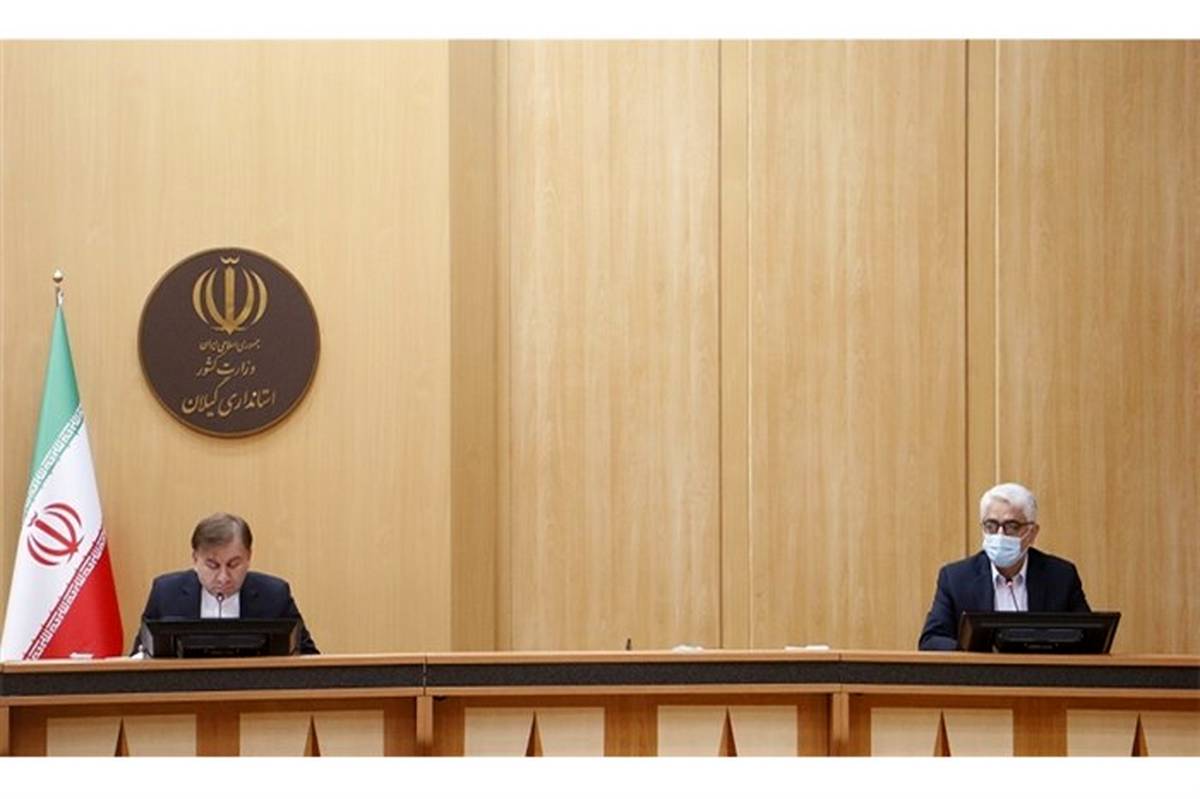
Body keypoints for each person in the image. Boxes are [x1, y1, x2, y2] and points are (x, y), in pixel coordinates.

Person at [918, 482, 1090, 651]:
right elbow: (931, 639)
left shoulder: (1061, 577)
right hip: (981, 669)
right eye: (991, 526)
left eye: (1011, 526)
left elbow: (1089, 638)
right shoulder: (956, 578)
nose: (1000, 535)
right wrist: (973, 651)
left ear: (1032, 533)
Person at [132, 512, 318, 655]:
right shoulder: (165, 592)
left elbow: (308, 658)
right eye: (212, 565)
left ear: (249, 557)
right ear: (195, 559)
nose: (223, 577)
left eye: (233, 564)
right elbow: (139, 657)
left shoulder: (275, 595)